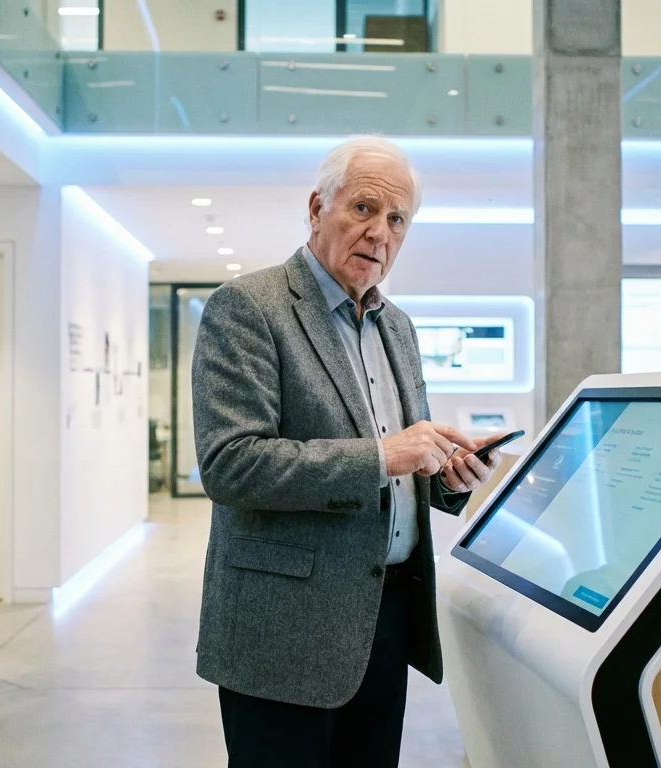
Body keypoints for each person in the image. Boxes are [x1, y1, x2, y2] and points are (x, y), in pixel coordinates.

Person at [191, 135, 508, 768]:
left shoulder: (399, 327)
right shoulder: (248, 309)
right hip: (285, 630)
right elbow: (231, 464)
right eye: (363, 209)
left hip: (385, 616)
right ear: (316, 209)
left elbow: (402, 463)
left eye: (397, 220)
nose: (380, 233)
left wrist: (446, 476)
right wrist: (384, 456)